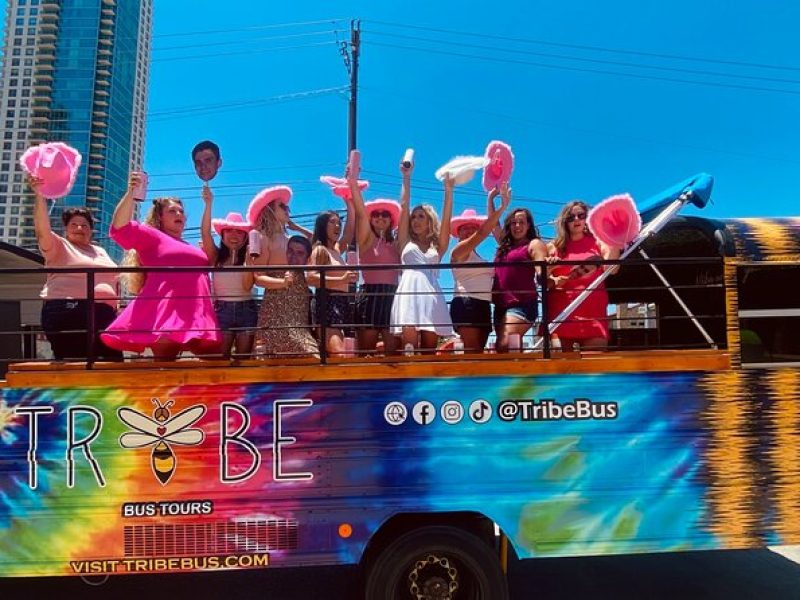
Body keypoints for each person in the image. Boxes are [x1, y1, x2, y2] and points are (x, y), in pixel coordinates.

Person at [101, 172, 221, 360]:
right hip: (166, 313)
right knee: (165, 365)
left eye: (181, 211)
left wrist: (208, 205)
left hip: (198, 314)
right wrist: (131, 193)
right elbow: (119, 228)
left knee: (215, 361)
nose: (179, 214)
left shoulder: (191, 246)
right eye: (172, 211)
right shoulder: (151, 235)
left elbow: (213, 260)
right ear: (160, 217)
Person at [29, 177, 122, 361]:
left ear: (91, 230)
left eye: (85, 225)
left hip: (105, 315)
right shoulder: (59, 245)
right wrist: (39, 194)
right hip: (69, 310)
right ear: (66, 229)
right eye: (74, 224)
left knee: (112, 362)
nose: (80, 227)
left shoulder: (101, 251)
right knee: (76, 361)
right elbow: (42, 230)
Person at [390, 163, 454, 352]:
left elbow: (447, 223)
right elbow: (404, 205)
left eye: (421, 217)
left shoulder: (438, 246)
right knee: (409, 347)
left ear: (429, 221)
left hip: (431, 295)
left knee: (429, 350)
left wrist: (449, 191)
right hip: (408, 294)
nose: (415, 220)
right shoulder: (405, 241)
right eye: (414, 217)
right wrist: (406, 177)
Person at [248, 185, 314, 357]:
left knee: (303, 350)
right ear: (269, 209)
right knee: (302, 351)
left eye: (288, 207)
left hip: (298, 301)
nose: (287, 210)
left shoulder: (290, 238)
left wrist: (295, 226)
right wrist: (283, 283)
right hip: (279, 301)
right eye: (282, 206)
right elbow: (258, 278)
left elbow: (315, 241)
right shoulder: (263, 237)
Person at [545, 200, 621, 350]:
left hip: (593, 314)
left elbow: (612, 269)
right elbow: (541, 280)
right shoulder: (552, 246)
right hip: (562, 314)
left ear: (587, 218)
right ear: (564, 221)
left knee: (595, 369)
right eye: (571, 217)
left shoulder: (599, 242)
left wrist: (616, 238)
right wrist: (551, 276)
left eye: (581, 215)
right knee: (561, 369)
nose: (577, 220)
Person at [449, 184, 511, 352]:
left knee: (479, 351)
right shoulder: (458, 252)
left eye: (472, 227)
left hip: (484, 305)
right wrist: (503, 206)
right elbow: (484, 232)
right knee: (472, 352)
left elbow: (500, 237)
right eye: (465, 228)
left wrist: (490, 199)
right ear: (459, 233)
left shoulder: (479, 256)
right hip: (466, 302)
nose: (469, 231)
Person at [347, 170, 402, 355]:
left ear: (391, 219)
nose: (380, 217)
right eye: (376, 214)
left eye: (385, 214)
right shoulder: (367, 239)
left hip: (393, 295)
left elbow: (406, 208)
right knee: (365, 352)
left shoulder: (397, 243)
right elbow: (361, 214)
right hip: (370, 294)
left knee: (393, 352)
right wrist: (353, 184)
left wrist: (406, 177)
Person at [200, 187, 256, 358]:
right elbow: (205, 233)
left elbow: (247, 287)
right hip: (221, 310)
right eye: (229, 230)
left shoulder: (252, 257)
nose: (234, 235)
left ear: (246, 237)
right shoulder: (216, 256)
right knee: (220, 359)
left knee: (243, 359)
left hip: (247, 309)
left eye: (239, 231)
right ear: (222, 234)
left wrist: (249, 261)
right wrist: (208, 203)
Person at [491, 205, 549, 352]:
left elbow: (540, 267)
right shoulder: (504, 246)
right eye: (514, 223)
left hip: (523, 303)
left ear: (528, 225)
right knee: (509, 348)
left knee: (505, 343)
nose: (517, 226)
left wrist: (544, 272)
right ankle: (519, 373)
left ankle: (519, 372)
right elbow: (493, 223)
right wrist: (491, 198)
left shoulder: (533, 244)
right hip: (500, 305)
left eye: (522, 222)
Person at [253, 235, 319, 358]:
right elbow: (258, 279)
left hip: (299, 337)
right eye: (290, 251)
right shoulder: (276, 273)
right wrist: (282, 282)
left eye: (300, 253)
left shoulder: (307, 284)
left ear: (307, 259)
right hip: (270, 338)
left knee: (315, 358)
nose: (293, 256)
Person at [306, 207, 357, 356]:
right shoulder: (319, 250)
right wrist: (341, 279)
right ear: (322, 225)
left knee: (350, 352)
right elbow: (311, 278)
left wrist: (349, 200)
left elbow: (349, 231)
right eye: (332, 222)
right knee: (339, 353)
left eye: (339, 223)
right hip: (327, 301)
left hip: (344, 302)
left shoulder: (336, 250)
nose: (337, 226)